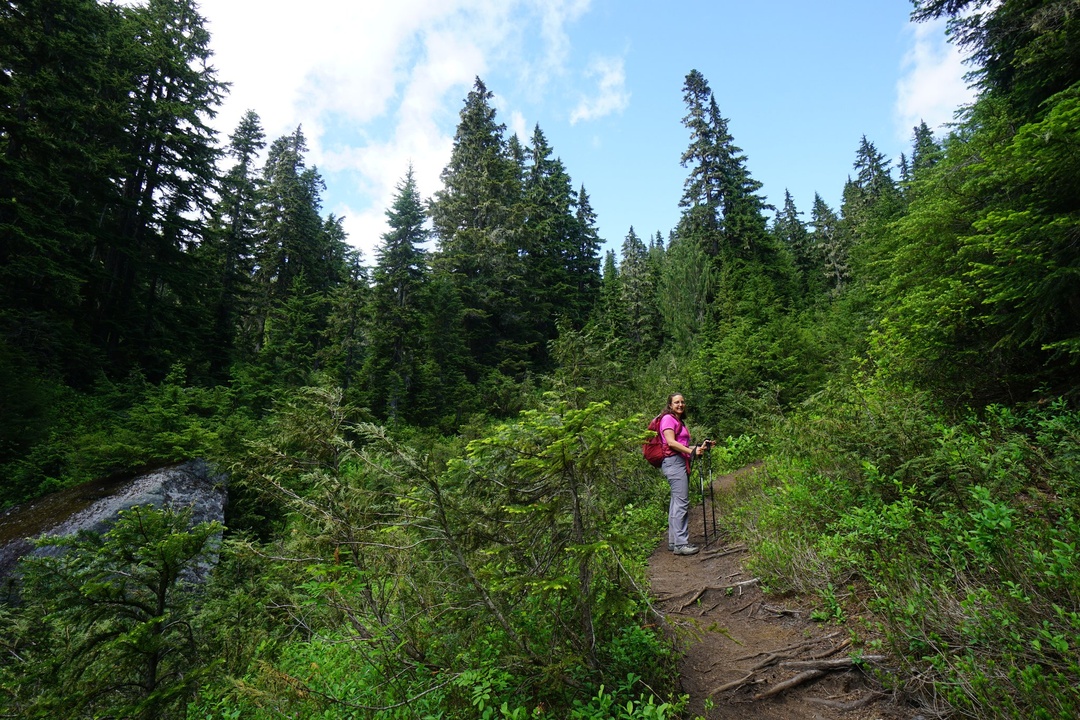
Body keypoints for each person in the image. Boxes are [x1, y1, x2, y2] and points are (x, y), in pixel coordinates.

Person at [659, 393, 711, 556]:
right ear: (670, 405)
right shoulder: (668, 419)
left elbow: (680, 443)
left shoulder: (677, 420)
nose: (680, 405)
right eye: (676, 402)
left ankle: (674, 541)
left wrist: (698, 448)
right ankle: (681, 544)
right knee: (681, 503)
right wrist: (691, 451)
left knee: (676, 502)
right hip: (674, 463)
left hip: (678, 462)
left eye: (682, 402)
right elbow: (671, 442)